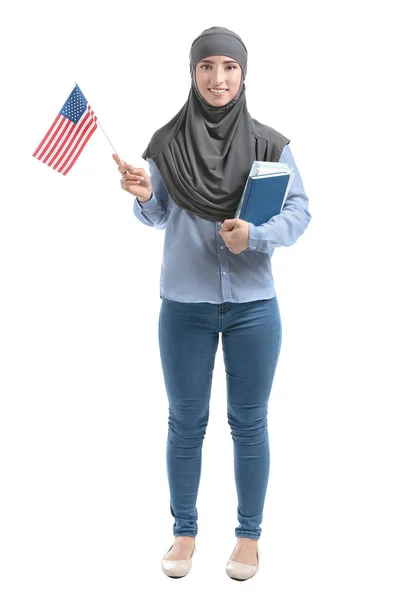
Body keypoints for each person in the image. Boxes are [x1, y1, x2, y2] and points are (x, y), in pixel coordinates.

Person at [113, 26, 311, 581]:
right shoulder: (166, 143)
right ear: (193, 74)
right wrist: (147, 195)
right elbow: (155, 217)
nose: (217, 78)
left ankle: (248, 538)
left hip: (253, 307)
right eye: (206, 67)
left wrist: (258, 236)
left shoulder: (272, 143)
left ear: (243, 74)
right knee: (185, 422)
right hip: (184, 306)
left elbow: (299, 211)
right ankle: (184, 531)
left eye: (228, 67)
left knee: (249, 423)